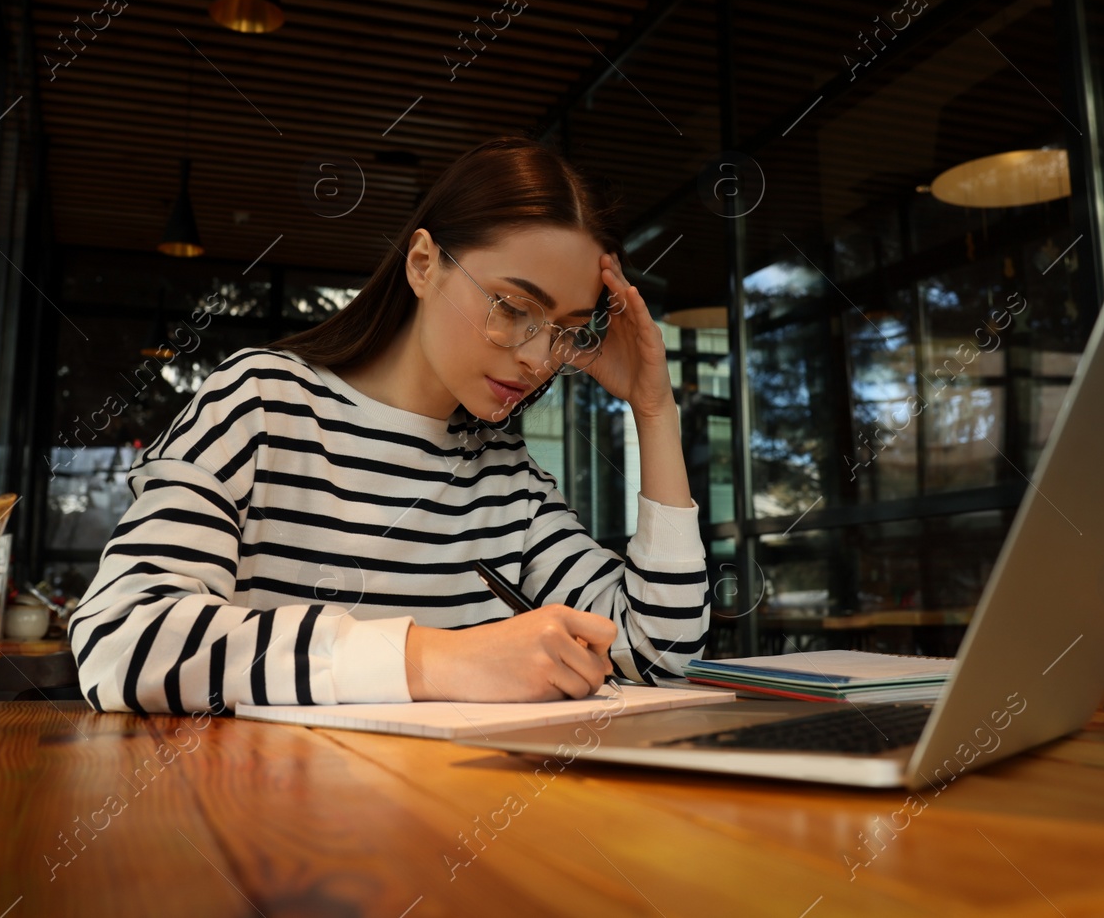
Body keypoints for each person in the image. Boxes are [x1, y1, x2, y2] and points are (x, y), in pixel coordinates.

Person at [70, 135, 710, 714]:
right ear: (424, 264)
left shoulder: (507, 482)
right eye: (515, 308)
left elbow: (662, 652)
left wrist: (654, 410)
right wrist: (438, 660)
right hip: (256, 823)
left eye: (568, 332)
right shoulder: (261, 402)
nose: (538, 357)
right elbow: (122, 637)